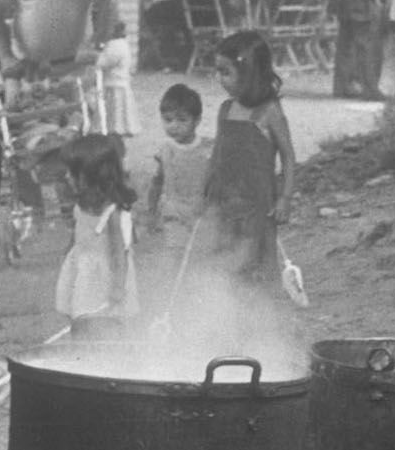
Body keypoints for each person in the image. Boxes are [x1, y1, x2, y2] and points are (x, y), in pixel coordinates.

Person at [201, 30, 294, 290]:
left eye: (225, 72)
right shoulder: (225, 110)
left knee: (255, 258)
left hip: (258, 203)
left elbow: (288, 156)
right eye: (217, 71)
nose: (219, 79)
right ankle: (229, 307)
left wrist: (285, 198)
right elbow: (218, 152)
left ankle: (260, 313)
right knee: (226, 256)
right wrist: (207, 188)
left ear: (249, 72)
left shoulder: (270, 112)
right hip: (226, 199)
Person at [0, 0, 117, 103]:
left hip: (76, 70)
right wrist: (6, 57)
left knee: (80, 122)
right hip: (29, 72)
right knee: (27, 123)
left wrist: (97, 45)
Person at [53, 133, 138, 329]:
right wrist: (68, 255)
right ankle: (81, 344)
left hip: (105, 273)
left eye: (72, 172)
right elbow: (77, 233)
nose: (66, 176)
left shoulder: (112, 212)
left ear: (93, 175)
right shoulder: (81, 204)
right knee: (79, 313)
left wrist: (118, 287)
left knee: (102, 318)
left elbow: (119, 253)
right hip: (82, 264)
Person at [144, 82, 210, 306]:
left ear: (197, 120)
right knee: (174, 259)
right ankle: (175, 303)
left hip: (201, 216)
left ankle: (201, 300)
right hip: (174, 215)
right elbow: (156, 182)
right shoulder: (165, 150)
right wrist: (151, 212)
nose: (174, 126)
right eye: (168, 120)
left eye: (182, 120)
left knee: (200, 261)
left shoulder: (208, 150)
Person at [330, 0, 385, 100]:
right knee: (367, 49)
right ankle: (370, 89)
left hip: (343, 3)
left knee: (345, 47)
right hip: (361, 5)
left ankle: (342, 87)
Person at [94, 19, 135, 137]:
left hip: (114, 82)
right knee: (120, 107)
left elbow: (104, 62)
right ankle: (119, 127)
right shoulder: (122, 43)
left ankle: (115, 129)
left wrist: (97, 56)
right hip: (120, 80)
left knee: (114, 108)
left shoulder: (115, 46)